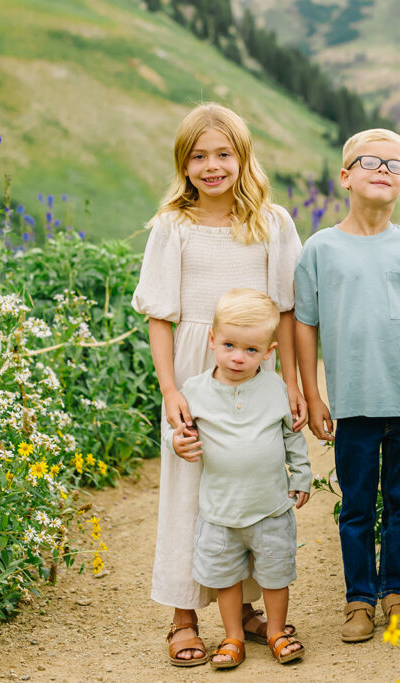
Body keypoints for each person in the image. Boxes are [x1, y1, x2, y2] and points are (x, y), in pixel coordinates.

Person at [131, 102, 307, 667]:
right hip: (193, 363)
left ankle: (246, 609)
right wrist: (171, 390)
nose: (212, 166)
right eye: (199, 156)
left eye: (223, 154)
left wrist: (295, 384)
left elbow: (287, 312)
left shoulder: (273, 223)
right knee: (190, 486)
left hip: (258, 371)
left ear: (242, 157)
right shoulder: (172, 227)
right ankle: (183, 616)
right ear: (183, 165)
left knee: (252, 481)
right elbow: (161, 315)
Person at [294, 128, 400, 643]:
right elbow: (305, 325)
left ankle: (397, 593)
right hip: (353, 406)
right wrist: (314, 394)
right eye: (370, 161)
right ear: (345, 177)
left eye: (396, 165)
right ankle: (359, 600)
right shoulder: (320, 249)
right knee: (358, 506)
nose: (383, 169)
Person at [165, 288, 311, 669]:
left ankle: (276, 630)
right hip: (220, 510)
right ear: (212, 340)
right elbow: (177, 429)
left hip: (271, 507)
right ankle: (233, 637)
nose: (237, 357)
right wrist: (176, 441)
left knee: (276, 573)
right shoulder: (195, 390)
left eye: (250, 350)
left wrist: (302, 474)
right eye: (229, 345)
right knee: (226, 577)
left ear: (268, 352)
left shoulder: (275, 387)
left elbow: (292, 435)